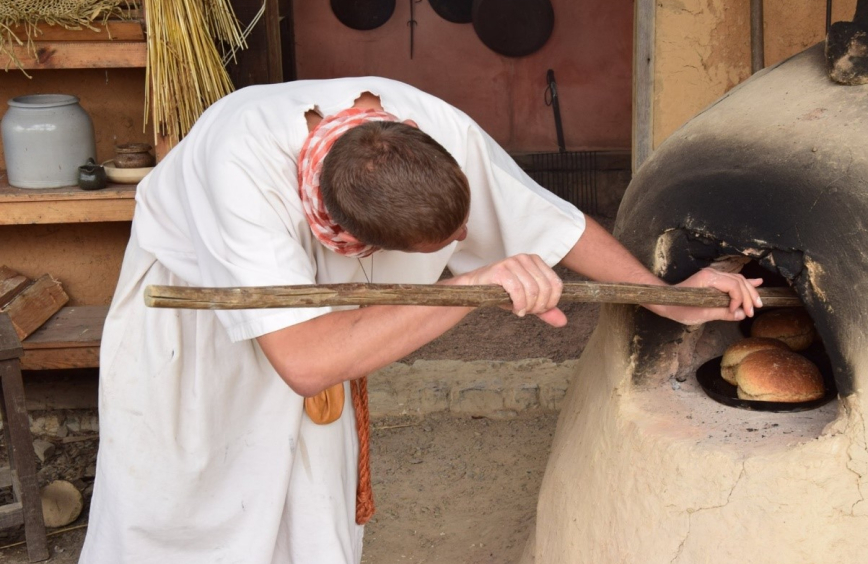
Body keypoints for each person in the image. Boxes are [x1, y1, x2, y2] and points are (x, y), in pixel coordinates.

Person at [80, 77, 762, 564]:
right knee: (183, 508)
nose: (468, 242)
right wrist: (468, 291)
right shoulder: (240, 164)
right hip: (197, 341)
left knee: (307, 517)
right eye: (445, 247)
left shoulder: (432, 129)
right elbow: (307, 361)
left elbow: (549, 221)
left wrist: (664, 295)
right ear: (357, 245)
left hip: (323, 334)